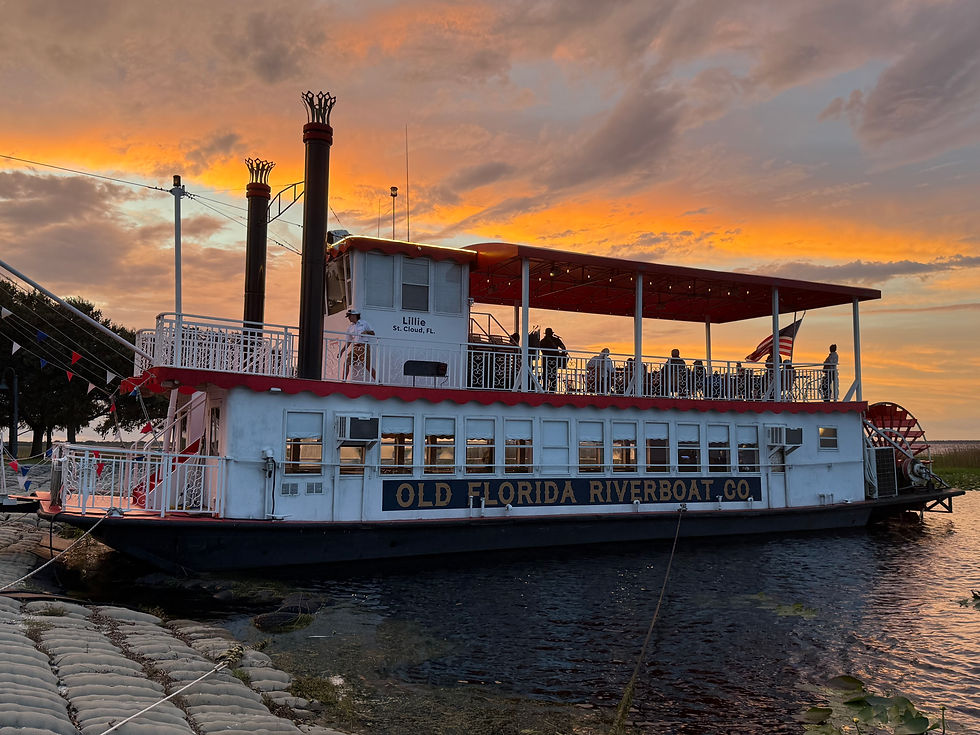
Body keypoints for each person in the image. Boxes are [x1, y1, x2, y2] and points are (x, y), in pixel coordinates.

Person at [340, 309, 376, 380]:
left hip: (364, 346)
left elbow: (373, 333)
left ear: (354, 316)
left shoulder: (364, 323)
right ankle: (343, 381)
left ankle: (378, 381)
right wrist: (341, 351)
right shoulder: (350, 327)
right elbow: (348, 341)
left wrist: (366, 332)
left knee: (368, 366)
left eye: (349, 316)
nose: (348, 318)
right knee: (346, 363)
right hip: (355, 347)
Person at [538, 327, 567, 393]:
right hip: (553, 361)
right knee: (552, 376)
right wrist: (561, 354)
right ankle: (551, 391)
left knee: (547, 376)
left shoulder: (543, 341)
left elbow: (542, 351)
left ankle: (546, 390)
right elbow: (563, 348)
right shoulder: (550, 340)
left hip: (547, 361)